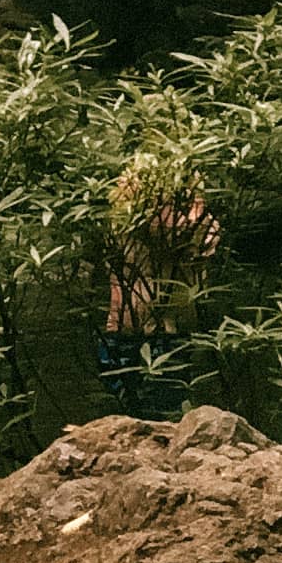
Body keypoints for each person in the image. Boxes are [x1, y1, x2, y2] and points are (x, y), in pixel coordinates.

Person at [97, 156, 218, 413]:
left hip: (164, 332)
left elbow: (207, 242)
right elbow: (180, 235)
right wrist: (197, 208)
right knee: (149, 419)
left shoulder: (164, 206)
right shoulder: (140, 202)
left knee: (163, 418)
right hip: (138, 333)